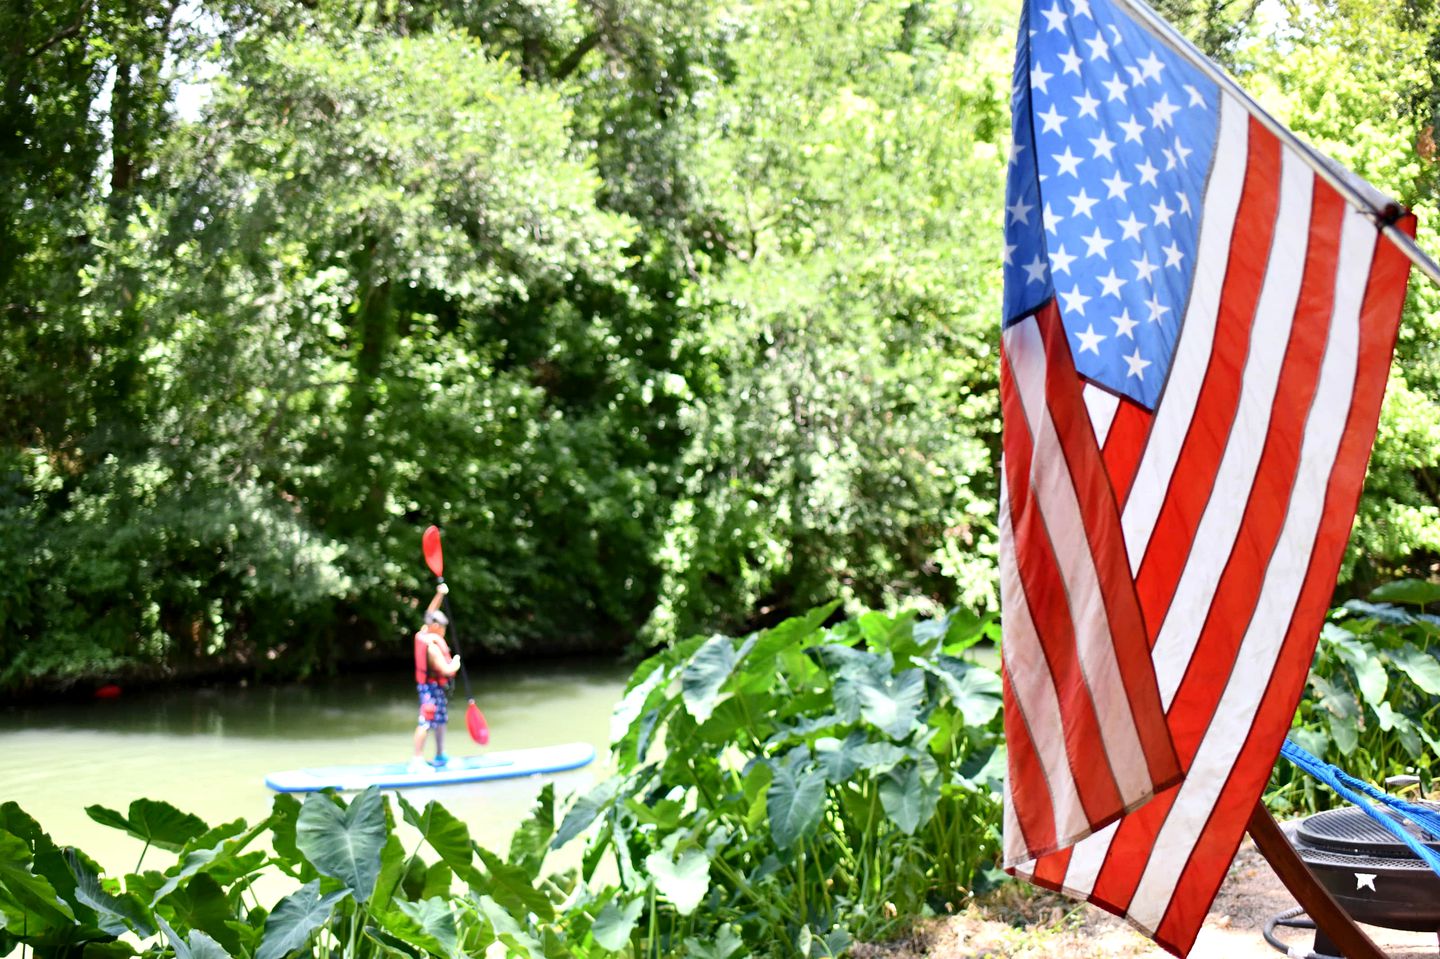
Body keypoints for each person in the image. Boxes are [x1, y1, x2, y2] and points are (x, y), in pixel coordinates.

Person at [411, 583, 461, 771]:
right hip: (429, 689)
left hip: (436, 688)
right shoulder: (431, 646)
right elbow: (446, 670)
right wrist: (455, 662)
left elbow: (431, 611)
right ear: (436, 627)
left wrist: (439, 593)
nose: (444, 632)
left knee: (440, 720)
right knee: (426, 721)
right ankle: (417, 759)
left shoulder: (426, 633)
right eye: (443, 628)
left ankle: (440, 754)